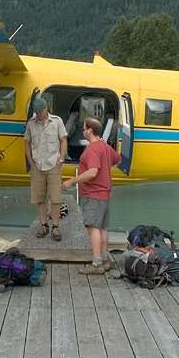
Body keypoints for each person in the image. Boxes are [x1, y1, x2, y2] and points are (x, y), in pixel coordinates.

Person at [62, 117, 121, 273]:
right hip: (105, 194)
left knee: (92, 228)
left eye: (84, 128)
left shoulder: (92, 149)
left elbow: (92, 172)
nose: (82, 131)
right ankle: (105, 260)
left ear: (90, 131)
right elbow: (118, 158)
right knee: (102, 228)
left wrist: (71, 181)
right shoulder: (104, 146)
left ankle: (96, 264)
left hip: (93, 193)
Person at [24, 96, 68, 241]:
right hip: (37, 165)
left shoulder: (57, 121)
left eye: (40, 111)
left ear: (46, 108)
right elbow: (27, 142)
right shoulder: (31, 123)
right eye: (36, 112)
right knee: (39, 197)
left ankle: (55, 227)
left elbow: (63, 140)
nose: (38, 114)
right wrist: (30, 160)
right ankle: (44, 225)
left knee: (55, 197)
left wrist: (61, 159)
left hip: (53, 164)